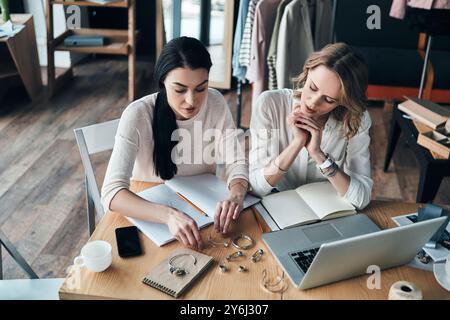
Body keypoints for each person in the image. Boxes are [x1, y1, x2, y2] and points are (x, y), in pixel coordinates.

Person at [101, 37, 249, 249]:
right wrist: (168, 215)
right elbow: (112, 193)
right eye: (180, 90)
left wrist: (236, 195)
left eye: (201, 88)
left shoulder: (215, 103)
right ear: (162, 82)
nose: (191, 101)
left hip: (201, 212)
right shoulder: (137, 114)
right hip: (148, 213)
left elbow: (237, 162)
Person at [249, 42, 372, 209]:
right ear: (307, 72)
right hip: (276, 207)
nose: (313, 102)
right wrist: (297, 143)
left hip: (328, 211)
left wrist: (318, 155)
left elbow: (361, 198)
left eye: (329, 100)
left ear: (344, 102)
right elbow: (256, 186)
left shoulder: (357, 119)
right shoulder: (270, 104)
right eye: (313, 87)